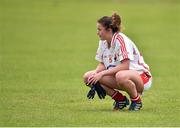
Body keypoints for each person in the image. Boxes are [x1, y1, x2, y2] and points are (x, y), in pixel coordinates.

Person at [83, 13, 152, 111]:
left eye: (99, 29)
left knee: (121, 75)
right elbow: (103, 63)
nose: (97, 33)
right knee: (88, 77)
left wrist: (101, 74)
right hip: (121, 76)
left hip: (141, 77)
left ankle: (136, 101)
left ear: (109, 30)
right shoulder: (103, 42)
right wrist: (96, 73)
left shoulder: (121, 40)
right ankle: (120, 100)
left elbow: (125, 66)